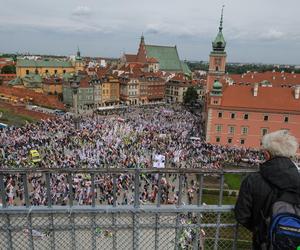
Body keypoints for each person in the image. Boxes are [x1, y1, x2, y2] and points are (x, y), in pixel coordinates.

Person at [235, 130, 300, 249]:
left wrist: (261, 229)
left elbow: (242, 215)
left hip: (263, 243)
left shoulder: (252, 180)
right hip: (295, 243)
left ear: (267, 154)